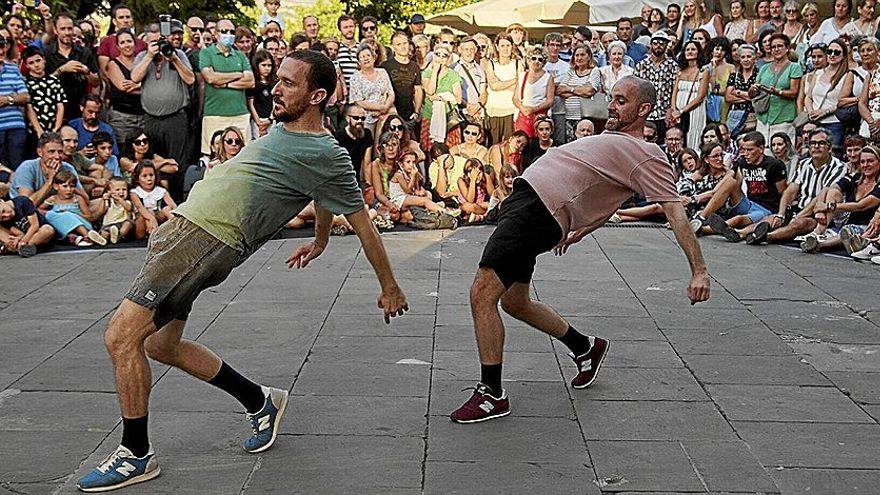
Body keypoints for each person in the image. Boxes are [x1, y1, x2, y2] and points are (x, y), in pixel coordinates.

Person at [449, 75, 710, 424]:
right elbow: (608, 193)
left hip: (539, 211)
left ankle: (491, 394)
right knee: (514, 302)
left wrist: (699, 271)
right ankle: (584, 347)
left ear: (644, 109)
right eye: (612, 99)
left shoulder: (647, 154)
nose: (612, 106)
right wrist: (584, 229)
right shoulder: (612, 141)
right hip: (526, 203)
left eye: (621, 101)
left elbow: (675, 212)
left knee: (482, 293)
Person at [132, 22, 195, 197]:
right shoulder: (142, 56)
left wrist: (173, 58)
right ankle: (156, 200)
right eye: (153, 43)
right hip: (151, 119)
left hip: (176, 118)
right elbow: (135, 77)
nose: (157, 46)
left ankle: (178, 200)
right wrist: (149, 56)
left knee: (178, 163)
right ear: (146, 42)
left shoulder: (178, 54)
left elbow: (190, 80)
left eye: (159, 41)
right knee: (153, 161)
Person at [801, 145, 880, 253]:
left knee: (847, 231)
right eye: (862, 162)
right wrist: (820, 209)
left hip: (866, 225)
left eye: (870, 161)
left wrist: (828, 206)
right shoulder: (855, 177)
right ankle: (818, 231)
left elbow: (861, 206)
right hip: (846, 219)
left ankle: (819, 245)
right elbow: (831, 188)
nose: (866, 165)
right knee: (833, 192)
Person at [199, 19, 254, 155]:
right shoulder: (206, 53)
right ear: (216, 34)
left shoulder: (240, 56)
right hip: (214, 114)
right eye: (224, 31)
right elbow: (210, 78)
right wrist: (237, 74)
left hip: (240, 114)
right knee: (212, 155)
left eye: (231, 32)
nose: (228, 34)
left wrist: (224, 83)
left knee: (243, 155)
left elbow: (250, 81)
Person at [44, 13, 99, 121]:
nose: (67, 32)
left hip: (79, 111)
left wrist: (86, 71)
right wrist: (62, 70)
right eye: (63, 29)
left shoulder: (85, 53)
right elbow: (43, 84)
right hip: (54, 111)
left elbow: (96, 82)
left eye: (69, 28)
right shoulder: (47, 53)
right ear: (56, 30)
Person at [753, 33, 802, 147]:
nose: (776, 49)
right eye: (773, 47)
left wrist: (776, 92)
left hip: (783, 118)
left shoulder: (794, 67)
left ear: (787, 48)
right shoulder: (764, 68)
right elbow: (754, 92)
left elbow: (794, 92)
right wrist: (753, 89)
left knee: (783, 153)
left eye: (780, 46)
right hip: (763, 119)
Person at [43, 168, 105, 246]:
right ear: (56, 186)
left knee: (67, 215)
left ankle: (87, 236)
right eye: (65, 186)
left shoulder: (77, 199)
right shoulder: (53, 199)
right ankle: (75, 238)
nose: (69, 190)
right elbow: (40, 209)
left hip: (82, 224)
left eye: (72, 186)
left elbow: (89, 216)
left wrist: (72, 214)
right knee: (50, 214)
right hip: (63, 227)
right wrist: (57, 214)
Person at [635, 31, 680, 139]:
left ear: (666, 45)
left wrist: (671, 109)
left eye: (662, 43)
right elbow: (636, 90)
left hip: (664, 113)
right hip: (646, 113)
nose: (658, 46)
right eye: (655, 43)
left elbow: (675, 89)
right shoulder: (641, 65)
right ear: (651, 45)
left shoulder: (673, 66)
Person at [105, 28, 143, 153]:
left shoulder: (142, 62)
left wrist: (137, 85)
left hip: (143, 115)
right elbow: (124, 88)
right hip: (121, 118)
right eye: (122, 42)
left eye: (129, 41)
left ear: (135, 43)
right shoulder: (113, 64)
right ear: (117, 46)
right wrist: (144, 87)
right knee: (123, 151)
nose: (127, 45)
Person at [22, 46, 65, 150]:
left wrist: (56, 128)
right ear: (26, 65)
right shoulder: (26, 83)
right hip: (34, 130)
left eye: (38, 60)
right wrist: (38, 130)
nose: (36, 65)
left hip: (54, 127)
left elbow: (60, 105)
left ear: (44, 60)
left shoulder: (53, 80)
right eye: (31, 63)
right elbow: (29, 108)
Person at [669, 40, 709, 151]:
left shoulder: (703, 71)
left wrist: (681, 111)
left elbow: (701, 96)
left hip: (695, 111)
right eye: (687, 49)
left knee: (694, 136)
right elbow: (674, 92)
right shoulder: (680, 70)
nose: (690, 52)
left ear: (698, 52)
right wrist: (674, 110)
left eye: (693, 49)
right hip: (678, 113)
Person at [558, 44, 601, 143]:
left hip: (586, 117)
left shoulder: (594, 71)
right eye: (576, 55)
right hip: (570, 116)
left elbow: (589, 91)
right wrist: (581, 91)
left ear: (589, 56)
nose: (579, 58)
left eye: (582, 55)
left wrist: (570, 89)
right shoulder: (570, 71)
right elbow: (560, 90)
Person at [0, 28, 29, 170]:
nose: (1, 52)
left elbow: (25, 96)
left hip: (16, 126)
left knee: (18, 169)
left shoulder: (12, 68)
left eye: (2, 47)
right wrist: (14, 97)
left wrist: (6, 100)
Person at [484, 33, 520, 145]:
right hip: (494, 111)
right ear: (497, 47)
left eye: (508, 45)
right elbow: (493, 86)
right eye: (502, 46)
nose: (505, 49)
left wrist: (501, 84)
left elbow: (519, 87)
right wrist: (514, 80)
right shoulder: (491, 64)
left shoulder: (518, 64)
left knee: (509, 146)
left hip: (511, 111)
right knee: (494, 145)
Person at [350, 45, 394, 136]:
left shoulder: (383, 72)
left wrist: (384, 109)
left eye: (368, 55)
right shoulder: (355, 77)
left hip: (385, 113)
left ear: (374, 58)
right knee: (368, 142)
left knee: (384, 141)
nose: (366, 58)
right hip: (366, 116)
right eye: (362, 57)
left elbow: (391, 94)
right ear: (358, 62)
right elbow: (359, 101)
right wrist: (380, 108)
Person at [383, 31, 422, 128]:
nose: (403, 47)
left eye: (405, 43)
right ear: (393, 47)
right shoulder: (385, 66)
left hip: (409, 115)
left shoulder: (415, 67)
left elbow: (418, 90)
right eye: (399, 44)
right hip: (390, 114)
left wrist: (416, 112)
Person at [513, 45, 554, 138]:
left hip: (541, 117)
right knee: (522, 142)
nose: (536, 61)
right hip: (523, 116)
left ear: (544, 62)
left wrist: (533, 109)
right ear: (529, 60)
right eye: (534, 58)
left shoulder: (548, 77)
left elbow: (550, 100)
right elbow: (515, 98)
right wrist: (522, 108)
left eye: (540, 59)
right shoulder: (522, 76)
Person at [130, 160, 176, 239]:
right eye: (144, 176)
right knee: (149, 212)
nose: (149, 178)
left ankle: (177, 229)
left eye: (151, 175)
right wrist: (152, 218)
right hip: (142, 222)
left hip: (157, 220)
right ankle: (153, 235)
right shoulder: (134, 192)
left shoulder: (161, 190)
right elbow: (140, 208)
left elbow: (172, 205)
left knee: (167, 209)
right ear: (137, 179)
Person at [725, 43, 759, 138]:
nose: (746, 59)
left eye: (749, 56)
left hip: (753, 117)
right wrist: (749, 97)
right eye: (743, 57)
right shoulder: (734, 76)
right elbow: (728, 97)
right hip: (735, 116)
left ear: (754, 58)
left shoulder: (760, 75)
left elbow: (758, 97)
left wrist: (738, 92)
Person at [334, 105, 372, 187]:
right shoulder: (339, 136)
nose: (360, 121)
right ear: (348, 119)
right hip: (340, 178)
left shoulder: (367, 134)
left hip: (356, 179)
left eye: (363, 118)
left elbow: (367, 163)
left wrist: (368, 185)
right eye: (356, 118)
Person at [247, 49, 276, 138]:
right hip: (257, 120)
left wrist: (270, 119)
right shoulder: (253, 83)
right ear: (257, 65)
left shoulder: (274, 83)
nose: (267, 68)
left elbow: (275, 102)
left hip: (271, 119)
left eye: (269, 65)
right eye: (263, 65)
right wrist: (259, 122)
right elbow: (251, 104)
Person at [98, 175, 134, 244]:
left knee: (128, 224)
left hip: (122, 223)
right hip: (109, 224)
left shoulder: (126, 202)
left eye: (124, 189)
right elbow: (101, 211)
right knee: (104, 233)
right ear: (109, 191)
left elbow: (129, 208)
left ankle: (118, 236)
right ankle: (102, 239)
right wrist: (103, 200)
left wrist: (119, 199)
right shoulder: (108, 202)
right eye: (117, 190)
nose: (121, 192)